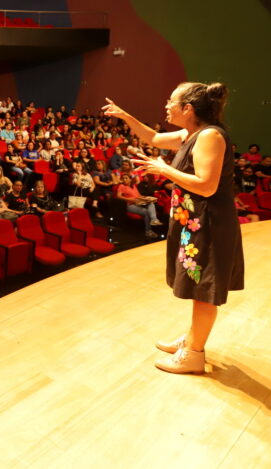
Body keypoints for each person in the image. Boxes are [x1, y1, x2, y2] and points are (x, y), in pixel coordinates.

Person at [103, 82, 244, 374]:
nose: (166, 105)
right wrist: (125, 116)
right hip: (194, 223)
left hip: (209, 225)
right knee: (196, 286)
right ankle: (192, 339)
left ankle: (194, 354)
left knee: (205, 289)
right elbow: (153, 137)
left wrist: (164, 169)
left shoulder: (209, 137)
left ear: (187, 108)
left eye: (171, 101)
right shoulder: (190, 134)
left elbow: (207, 186)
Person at [116, 173, 161, 238]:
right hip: (130, 205)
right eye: (123, 178)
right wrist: (130, 199)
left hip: (138, 202)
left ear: (130, 179)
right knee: (146, 212)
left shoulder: (133, 186)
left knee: (151, 203)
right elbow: (118, 196)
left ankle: (154, 219)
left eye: (126, 178)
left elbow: (138, 195)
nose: (124, 180)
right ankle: (148, 231)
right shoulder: (121, 186)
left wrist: (145, 198)